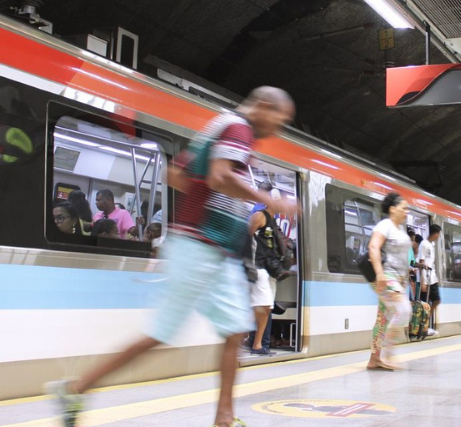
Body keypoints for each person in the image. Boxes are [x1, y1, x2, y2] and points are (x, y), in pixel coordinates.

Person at [48, 86, 296, 427]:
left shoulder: (218, 125)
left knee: (236, 330)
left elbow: (176, 175)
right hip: (199, 246)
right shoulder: (238, 129)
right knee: (163, 331)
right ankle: (76, 388)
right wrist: (270, 201)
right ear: (266, 106)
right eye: (279, 121)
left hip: (214, 250)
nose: (276, 130)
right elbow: (220, 176)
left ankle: (224, 418)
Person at [366, 192, 413, 371]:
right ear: (393, 209)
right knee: (404, 310)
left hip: (397, 280)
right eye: (404, 208)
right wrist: (379, 274)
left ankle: (374, 359)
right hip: (386, 276)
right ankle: (388, 353)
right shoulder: (384, 225)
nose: (406, 212)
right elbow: (373, 246)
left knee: (383, 319)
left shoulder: (399, 229)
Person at [247, 200, 293, 356]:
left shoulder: (273, 221)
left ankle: (257, 344)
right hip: (257, 268)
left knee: (266, 307)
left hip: (268, 270)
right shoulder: (259, 216)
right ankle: (252, 340)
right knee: (264, 306)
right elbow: (246, 237)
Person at [418, 224, 442, 336]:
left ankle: (426, 323)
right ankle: (423, 327)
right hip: (426, 278)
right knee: (425, 304)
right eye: (439, 234)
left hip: (432, 278)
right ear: (435, 234)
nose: (439, 237)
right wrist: (422, 281)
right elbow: (421, 262)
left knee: (436, 300)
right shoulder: (424, 244)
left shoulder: (431, 244)